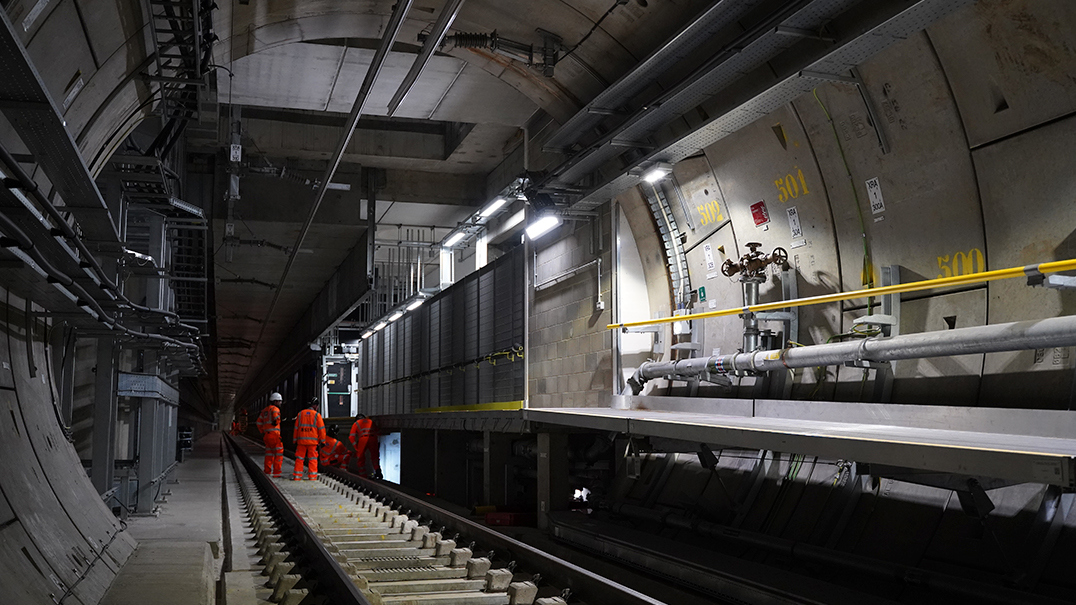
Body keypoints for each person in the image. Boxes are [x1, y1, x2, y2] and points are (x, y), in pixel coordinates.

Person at [292, 398, 326, 480]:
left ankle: (297, 476)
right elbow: (321, 430)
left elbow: (296, 428)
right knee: (313, 459)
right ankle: (312, 477)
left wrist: (294, 440)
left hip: (301, 442)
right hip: (312, 442)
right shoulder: (317, 415)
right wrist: (323, 441)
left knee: (299, 458)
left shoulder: (300, 414)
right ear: (315, 406)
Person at [255, 394, 284, 477]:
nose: (280, 403)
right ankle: (276, 473)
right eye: (279, 401)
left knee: (269, 453)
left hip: (267, 435)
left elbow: (258, 422)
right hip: (274, 435)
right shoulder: (275, 409)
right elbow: (276, 418)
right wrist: (276, 422)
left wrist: (262, 430)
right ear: (275, 401)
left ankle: (267, 471)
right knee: (278, 453)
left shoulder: (264, 410)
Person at [348, 414, 382, 479]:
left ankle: (363, 476)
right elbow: (378, 432)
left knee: (360, 458)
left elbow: (351, 437)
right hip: (373, 438)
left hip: (363, 439)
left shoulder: (356, 423)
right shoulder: (371, 421)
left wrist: (356, 447)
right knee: (375, 457)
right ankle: (378, 472)